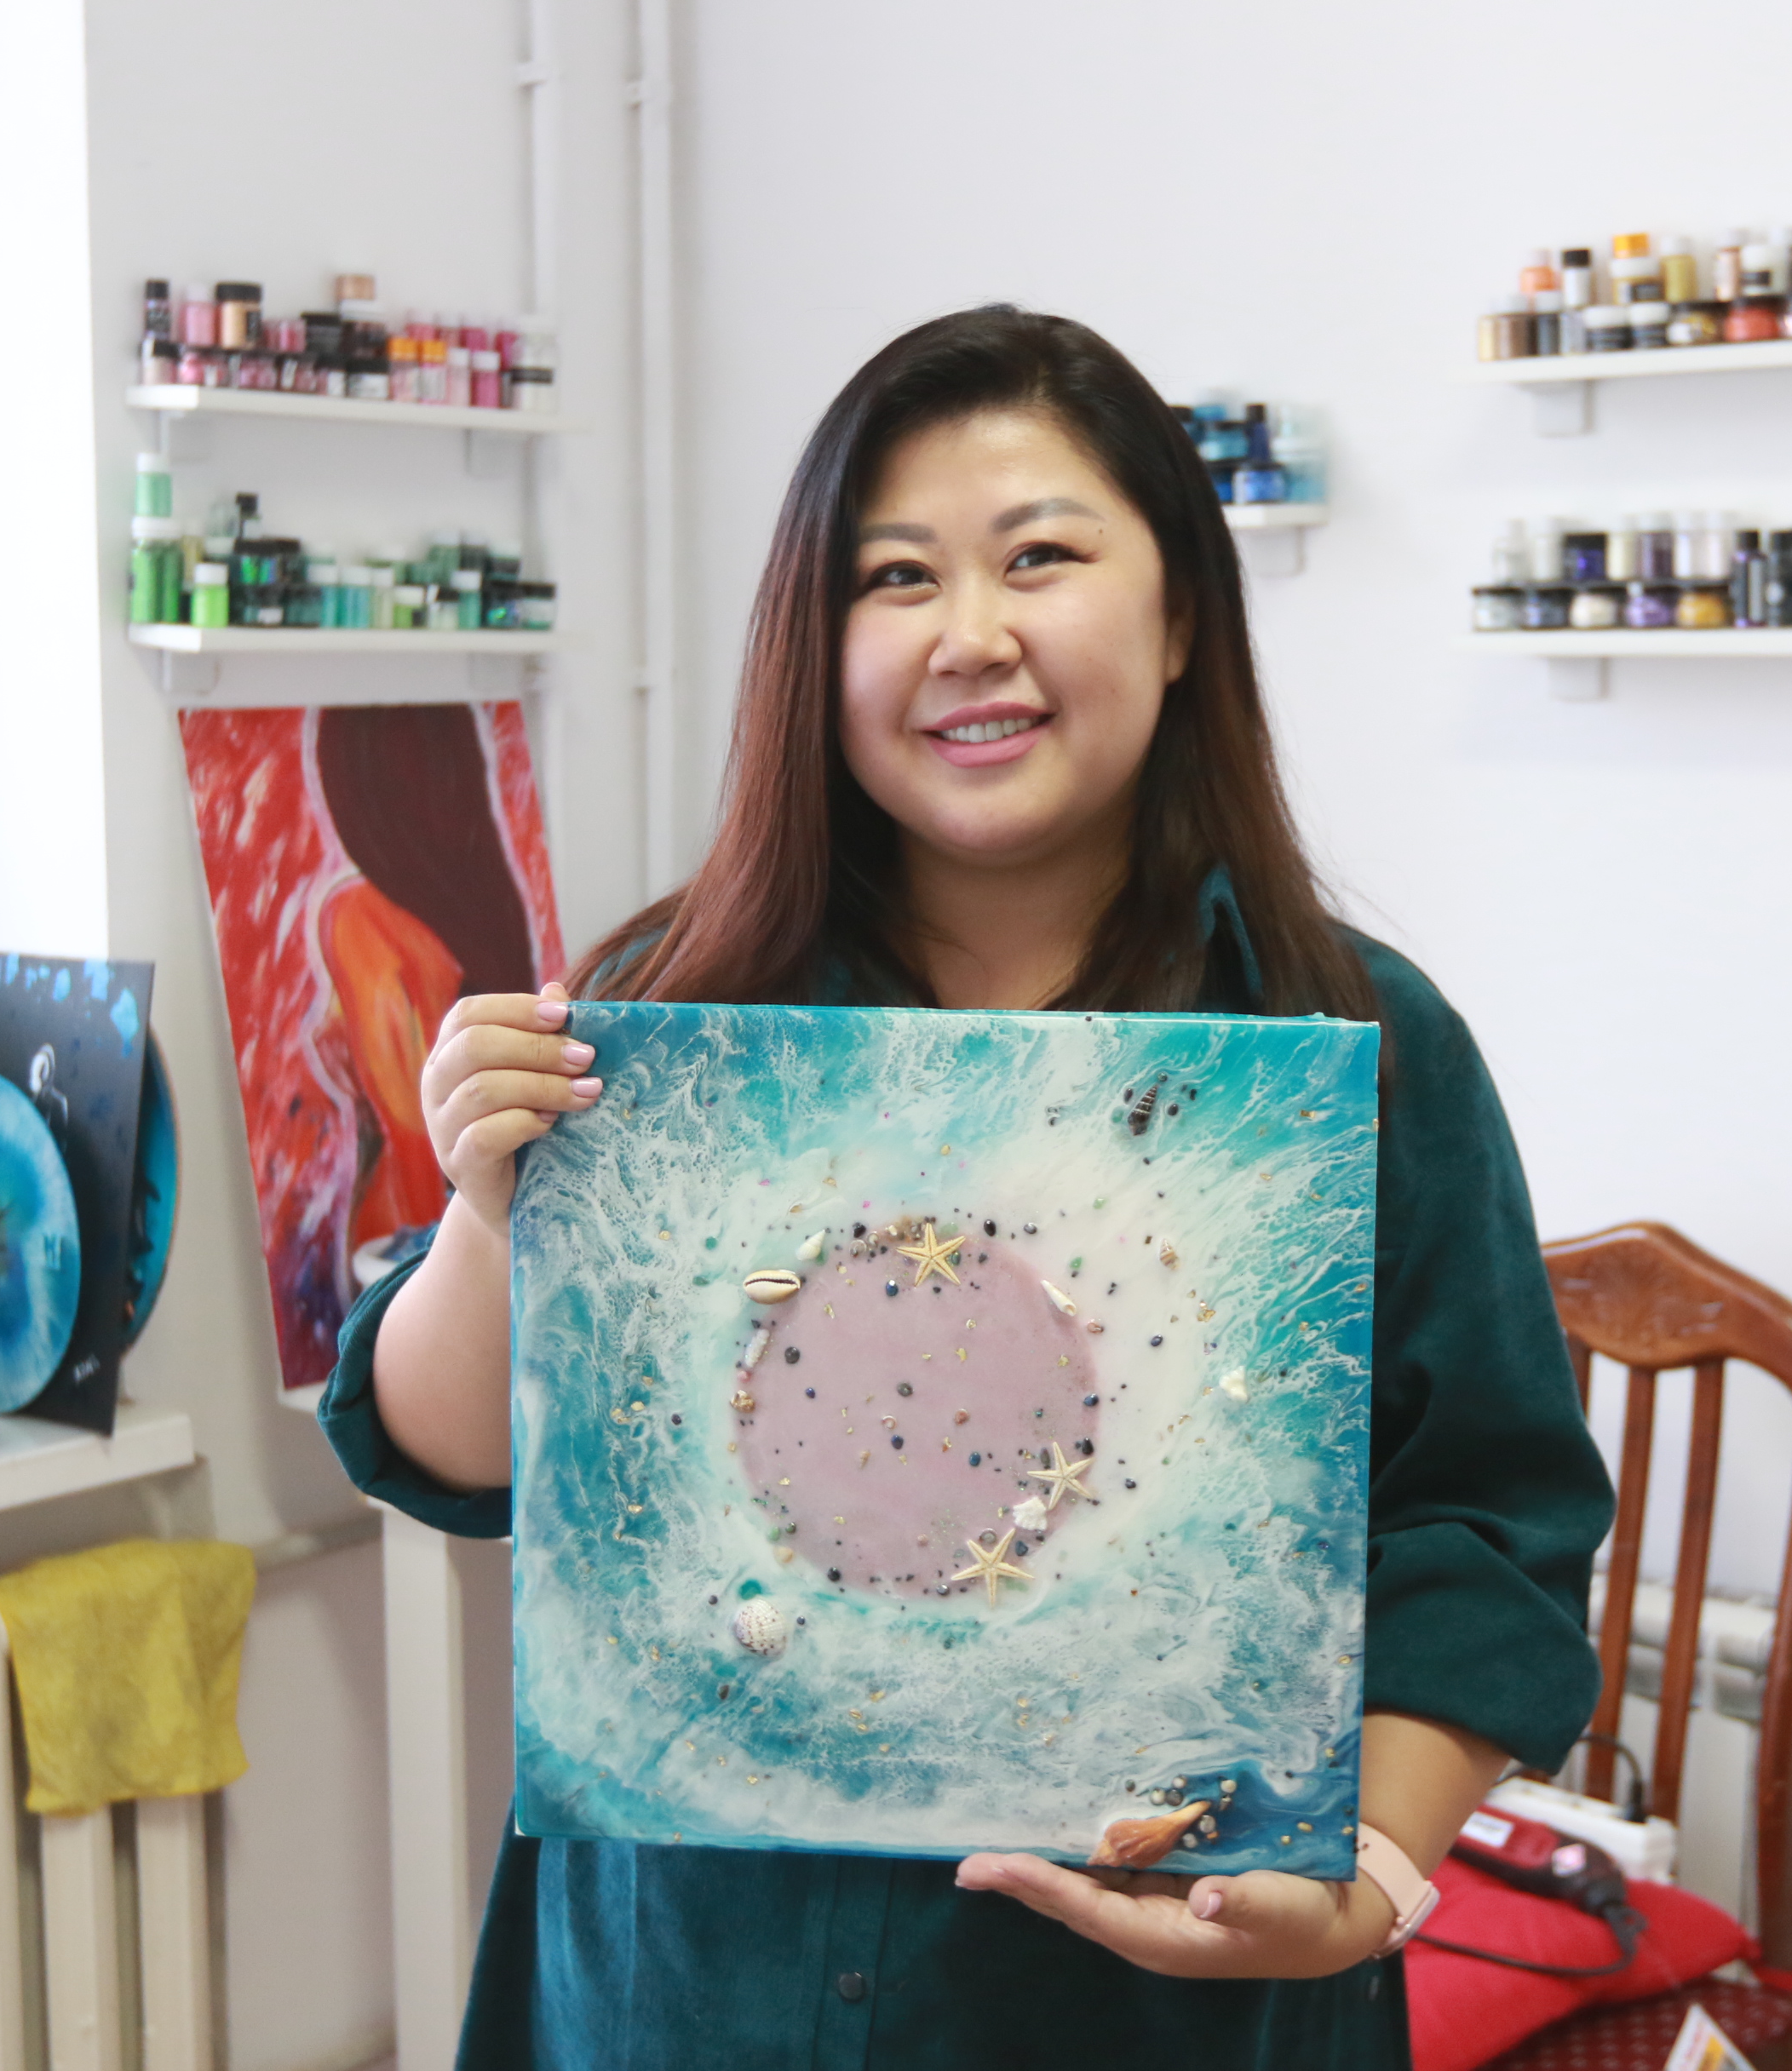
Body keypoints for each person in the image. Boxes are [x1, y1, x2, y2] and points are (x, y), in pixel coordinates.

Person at [321, 306, 1615, 2068]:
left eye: (1041, 557)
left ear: (1180, 617)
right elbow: (453, 1457)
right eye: (897, 577)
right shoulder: (668, 1015)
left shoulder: (1355, 1045)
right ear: (816, 642)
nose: (972, 635)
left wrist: (1372, 1871)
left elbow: (1491, 1526)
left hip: (1150, 2014)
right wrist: (491, 1218)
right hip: (692, 1997)